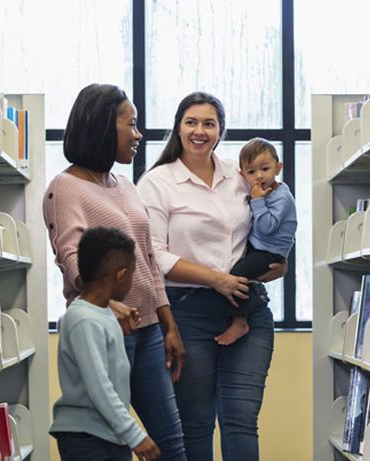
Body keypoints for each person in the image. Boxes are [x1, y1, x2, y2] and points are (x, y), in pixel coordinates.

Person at [137, 92, 288, 460]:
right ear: (178, 127)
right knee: (196, 422)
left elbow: (269, 225)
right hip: (187, 314)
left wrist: (278, 262)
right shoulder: (157, 182)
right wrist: (215, 278)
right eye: (191, 122)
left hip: (247, 309)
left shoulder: (240, 177)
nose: (199, 131)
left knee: (241, 422)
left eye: (209, 123)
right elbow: (153, 255)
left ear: (221, 130)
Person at [43, 83, 187, 460]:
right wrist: (107, 303)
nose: (138, 135)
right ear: (103, 126)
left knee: (171, 444)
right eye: (132, 124)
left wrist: (167, 322)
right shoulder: (65, 187)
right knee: (114, 440)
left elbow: (148, 258)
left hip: (149, 332)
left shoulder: (124, 185)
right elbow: (69, 255)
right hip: (107, 327)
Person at [50, 227, 160, 461]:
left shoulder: (100, 312)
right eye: (132, 272)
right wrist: (135, 435)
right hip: (88, 439)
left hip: (107, 434)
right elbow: (99, 386)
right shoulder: (84, 319)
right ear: (121, 275)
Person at [215, 137, 297, 346]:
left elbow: (266, 226)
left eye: (265, 169)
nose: (259, 176)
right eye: (251, 172)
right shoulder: (258, 191)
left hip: (270, 252)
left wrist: (258, 200)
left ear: (278, 168)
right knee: (237, 268)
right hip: (259, 246)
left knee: (237, 275)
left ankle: (240, 321)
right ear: (243, 175)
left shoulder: (280, 196)